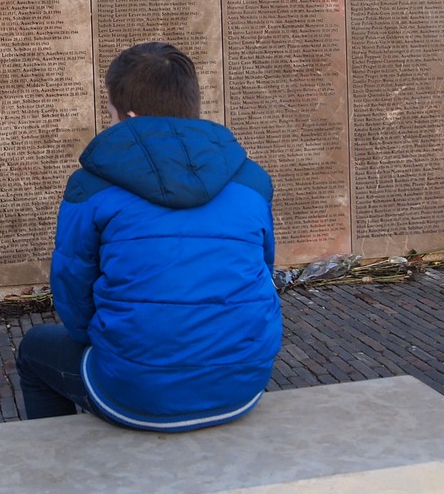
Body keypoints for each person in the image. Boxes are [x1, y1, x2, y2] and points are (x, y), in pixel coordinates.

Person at [16, 42, 282, 432]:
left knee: (34, 351)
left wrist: (102, 340)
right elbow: (263, 268)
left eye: (110, 113)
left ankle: (58, 471)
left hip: (133, 393)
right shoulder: (253, 181)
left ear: (131, 116)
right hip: (243, 383)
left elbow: (73, 289)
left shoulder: (89, 188)